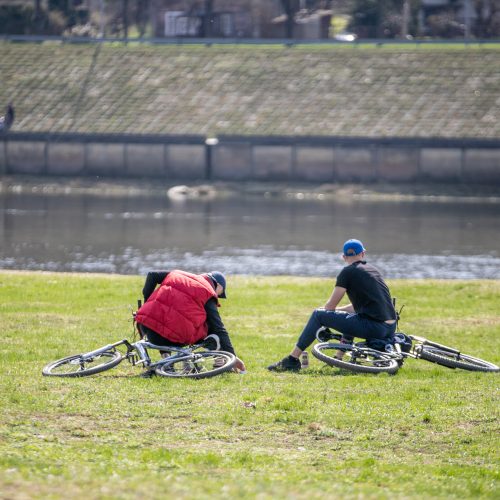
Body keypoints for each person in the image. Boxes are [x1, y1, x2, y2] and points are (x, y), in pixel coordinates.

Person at [268, 239, 397, 372]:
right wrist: (338, 312)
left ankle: (292, 359)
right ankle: (338, 358)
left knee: (318, 315)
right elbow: (355, 308)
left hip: (374, 327)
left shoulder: (347, 273)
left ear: (344, 257)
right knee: (350, 317)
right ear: (363, 254)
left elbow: (330, 307)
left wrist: (323, 311)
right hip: (390, 328)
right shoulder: (373, 270)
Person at [135, 269, 246, 373]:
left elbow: (152, 275)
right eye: (220, 293)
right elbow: (219, 328)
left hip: (148, 331)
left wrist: (147, 303)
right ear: (218, 285)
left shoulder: (177, 274)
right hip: (173, 339)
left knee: (163, 320)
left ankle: (167, 359)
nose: (218, 296)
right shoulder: (207, 291)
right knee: (211, 329)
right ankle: (220, 361)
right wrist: (233, 357)